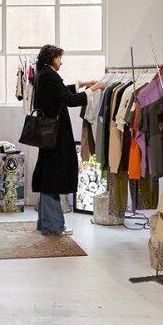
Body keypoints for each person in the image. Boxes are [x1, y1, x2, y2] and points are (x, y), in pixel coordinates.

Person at [31, 44, 105, 236]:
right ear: (52, 58)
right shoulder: (48, 75)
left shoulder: (42, 74)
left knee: (49, 175)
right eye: (59, 58)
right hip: (55, 134)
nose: (61, 61)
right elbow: (70, 100)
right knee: (52, 178)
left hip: (50, 134)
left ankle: (47, 222)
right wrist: (94, 89)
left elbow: (62, 91)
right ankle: (53, 226)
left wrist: (83, 84)